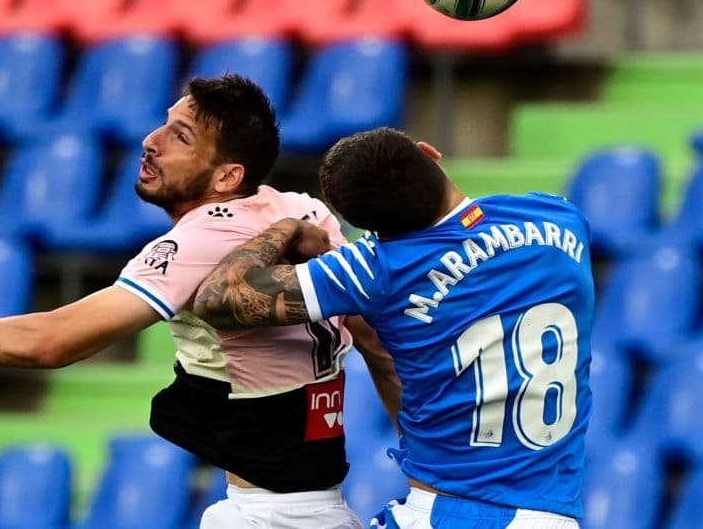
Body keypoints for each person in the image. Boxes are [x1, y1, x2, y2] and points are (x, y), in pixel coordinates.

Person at [0, 75, 372, 529]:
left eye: (179, 136)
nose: (151, 140)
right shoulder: (306, 211)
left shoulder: (206, 239)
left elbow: (52, 342)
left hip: (272, 517)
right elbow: (372, 336)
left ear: (227, 176)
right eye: (164, 122)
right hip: (307, 503)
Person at [193, 127, 594, 529]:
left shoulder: (376, 267)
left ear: (366, 227)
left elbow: (217, 298)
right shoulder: (559, 217)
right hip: (554, 515)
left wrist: (288, 229)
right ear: (430, 152)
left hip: (454, 515)